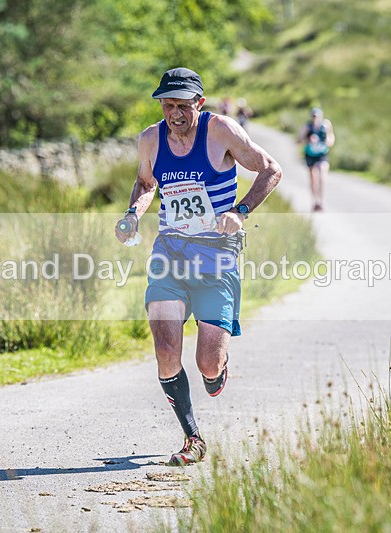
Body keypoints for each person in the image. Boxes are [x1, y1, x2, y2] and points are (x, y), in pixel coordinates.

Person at [114, 67, 282, 466]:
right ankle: (193, 437)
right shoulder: (151, 139)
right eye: (167, 105)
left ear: (199, 104)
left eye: (182, 106)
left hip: (216, 255)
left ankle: (216, 369)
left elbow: (271, 169)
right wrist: (132, 214)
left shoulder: (221, 131)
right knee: (166, 349)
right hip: (170, 253)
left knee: (208, 363)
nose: (174, 114)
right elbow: (145, 183)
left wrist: (240, 212)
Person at [297, 107, 335, 212]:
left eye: (317, 117)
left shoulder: (326, 126)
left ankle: (322, 202)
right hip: (310, 155)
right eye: (314, 116)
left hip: (322, 155)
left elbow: (331, 139)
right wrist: (308, 140)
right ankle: (314, 202)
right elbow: (299, 139)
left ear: (320, 117)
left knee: (322, 176)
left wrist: (326, 141)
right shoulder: (308, 127)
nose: (315, 118)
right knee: (313, 178)